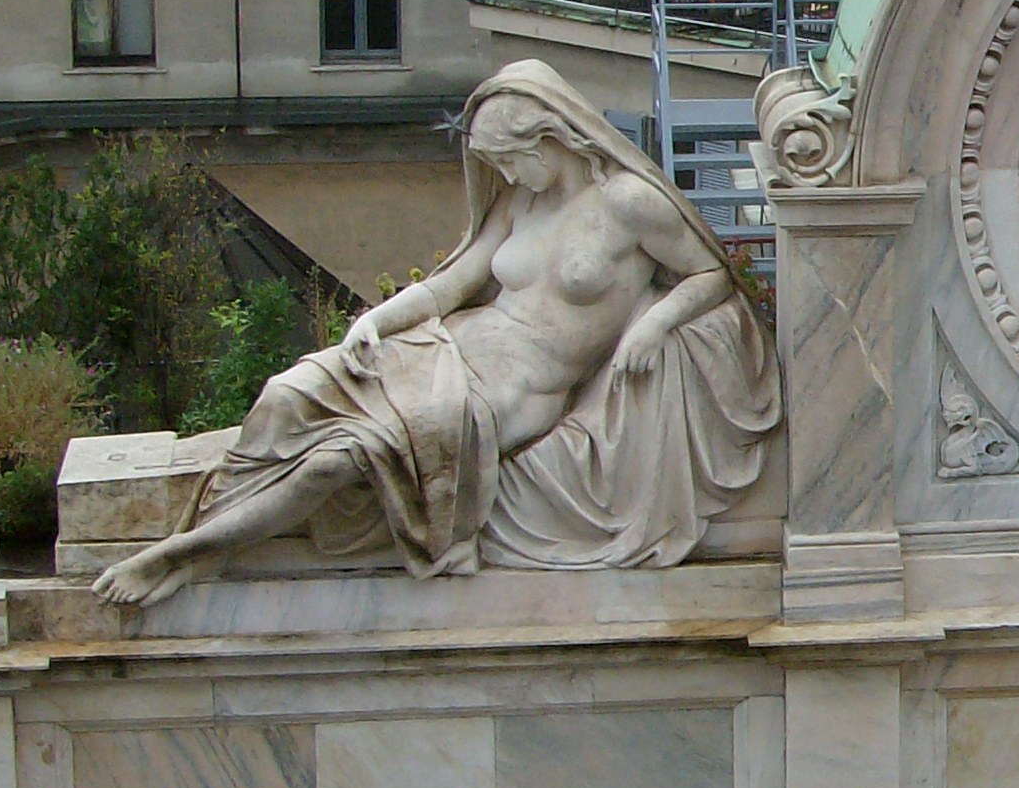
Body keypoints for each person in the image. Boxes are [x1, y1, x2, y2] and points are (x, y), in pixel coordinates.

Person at [93, 60, 780, 605]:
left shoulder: (629, 204)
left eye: (508, 159)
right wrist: (374, 321)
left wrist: (654, 324)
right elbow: (454, 286)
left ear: (550, 139)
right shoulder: (523, 198)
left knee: (345, 459)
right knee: (291, 391)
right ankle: (212, 513)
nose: (503, 177)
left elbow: (712, 275)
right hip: (446, 348)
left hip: (509, 392)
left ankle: (188, 552)